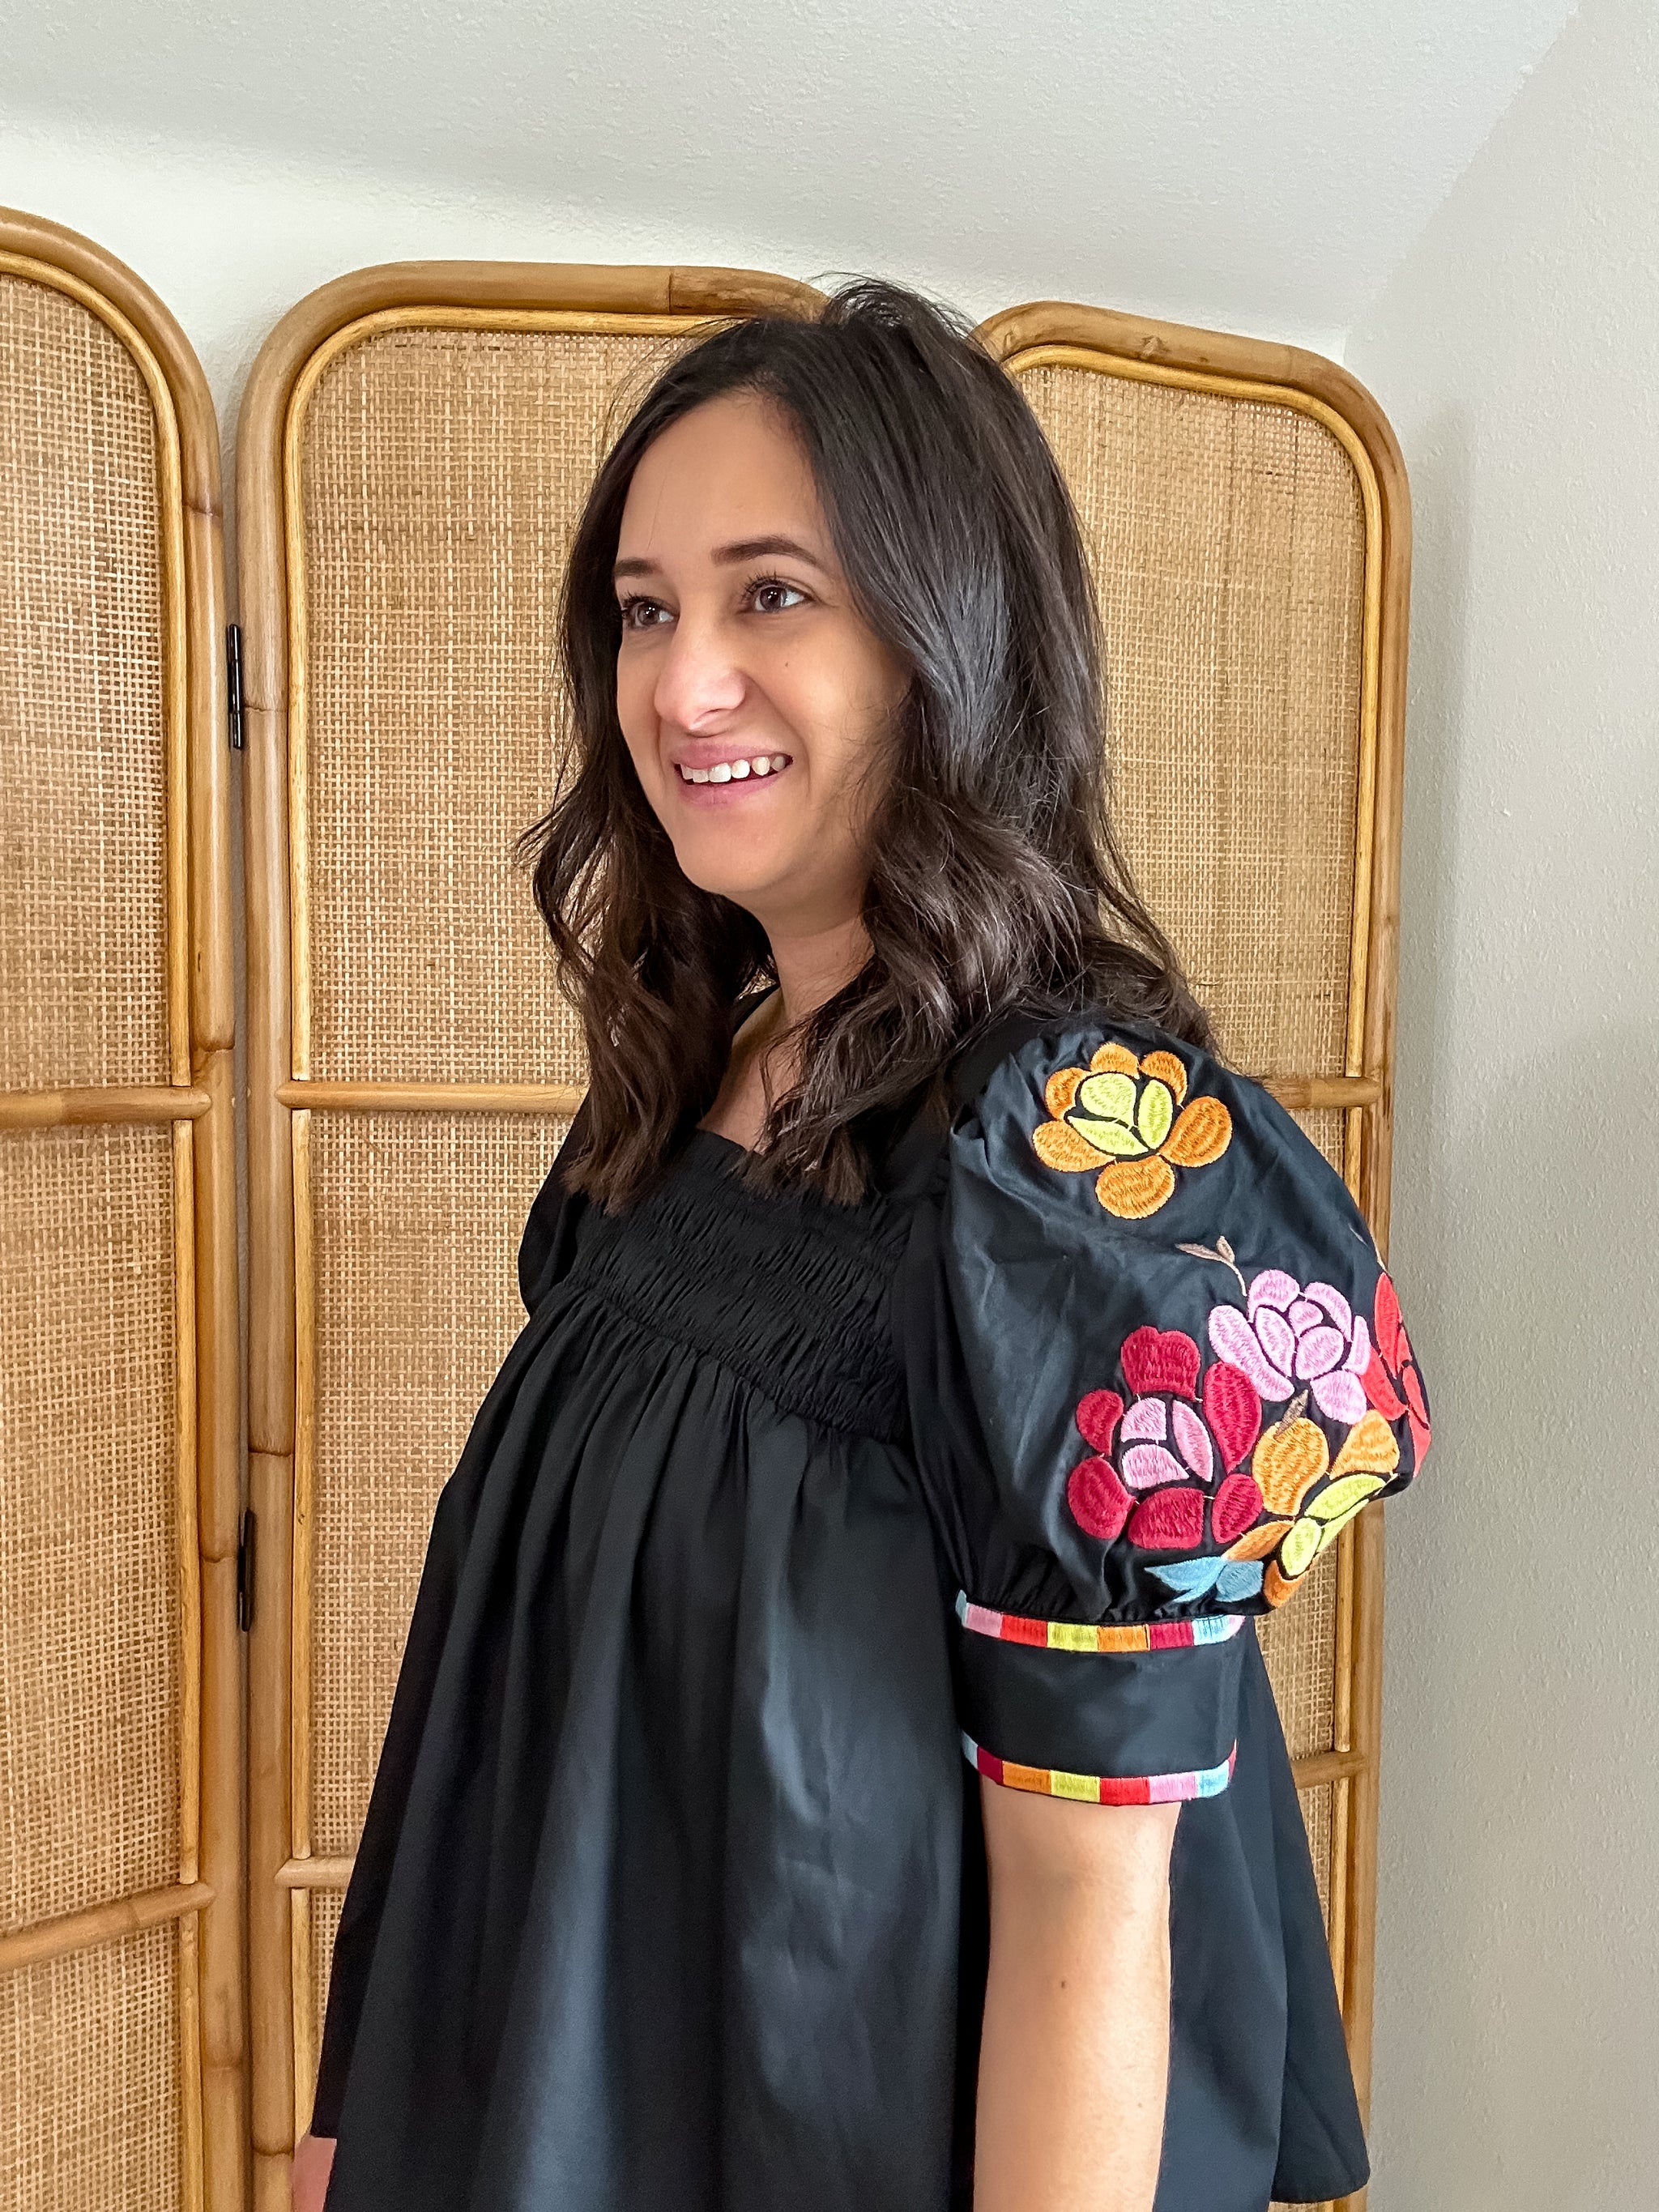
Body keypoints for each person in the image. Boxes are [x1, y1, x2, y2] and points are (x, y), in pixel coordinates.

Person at [291, 279, 1431, 2212]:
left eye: (771, 596)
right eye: (644, 609)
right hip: (564, 2092)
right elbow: (510, 1699)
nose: (682, 685)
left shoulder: (1077, 1174)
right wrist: (373, 2117)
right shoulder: (695, 1069)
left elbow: (1092, 1908)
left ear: (942, 635)